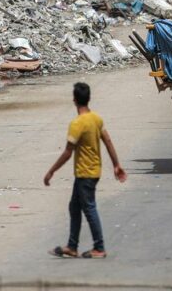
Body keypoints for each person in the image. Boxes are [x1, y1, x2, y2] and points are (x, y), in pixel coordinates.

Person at [44, 82, 127, 259]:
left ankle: (99, 247)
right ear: (88, 99)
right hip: (93, 171)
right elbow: (108, 141)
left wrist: (51, 171)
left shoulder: (77, 123)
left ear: (74, 100)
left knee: (89, 209)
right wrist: (116, 164)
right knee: (74, 207)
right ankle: (72, 246)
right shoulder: (96, 119)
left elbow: (68, 152)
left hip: (85, 173)